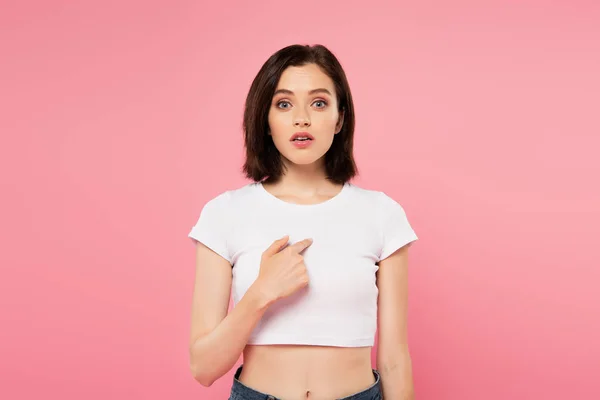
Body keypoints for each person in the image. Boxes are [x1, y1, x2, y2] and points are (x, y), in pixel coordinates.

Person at [188, 44, 418, 400]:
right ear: (265, 119)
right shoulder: (224, 214)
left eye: (319, 102)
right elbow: (203, 368)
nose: (301, 118)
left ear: (340, 118)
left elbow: (394, 361)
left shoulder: (382, 214)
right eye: (283, 104)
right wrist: (260, 295)